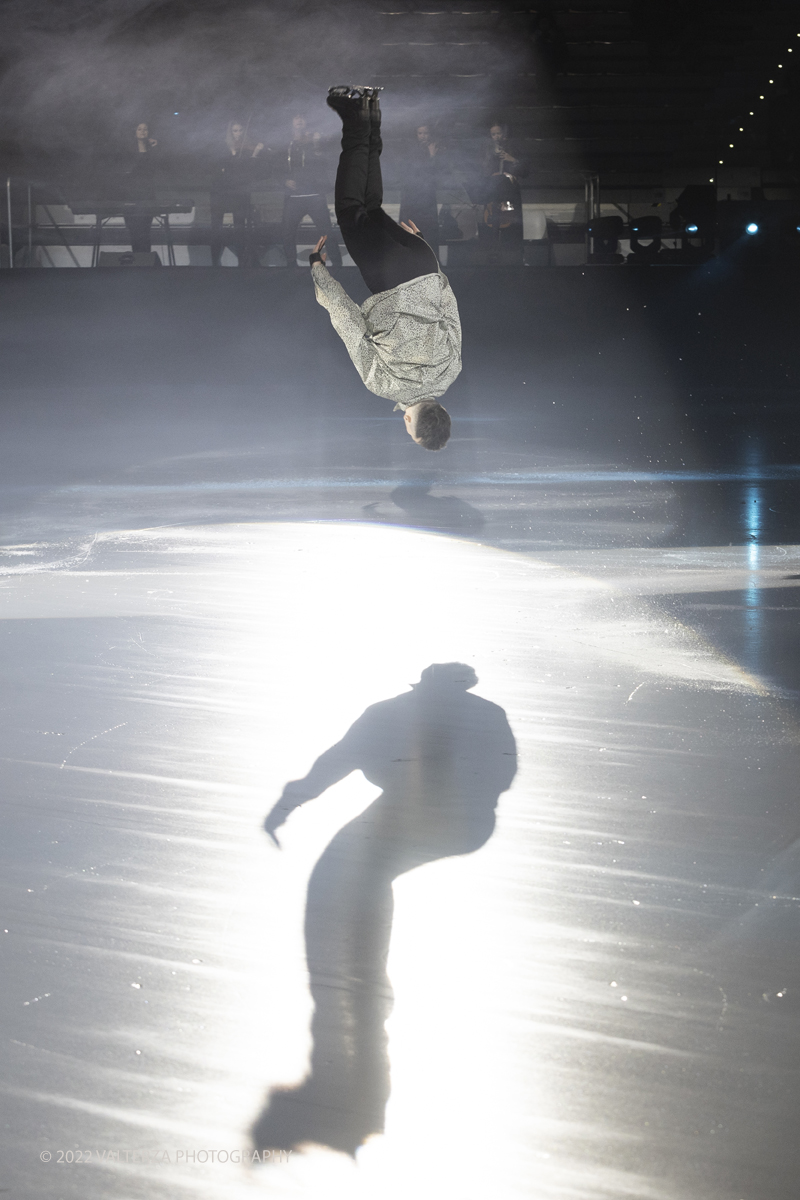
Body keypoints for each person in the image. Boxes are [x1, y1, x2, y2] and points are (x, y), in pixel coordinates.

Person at [254, 664, 517, 1154]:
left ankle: (364, 980)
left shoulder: (392, 712)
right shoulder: (483, 713)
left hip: (435, 814)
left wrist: (287, 805)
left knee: (351, 870)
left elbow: (335, 762)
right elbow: (504, 775)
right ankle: (367, 978)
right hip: (463, 820)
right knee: (362, 870)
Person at [309, 87, 461, 452]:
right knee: (350, 209)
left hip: (425, 264)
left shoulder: (451, 371)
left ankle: (370, 110)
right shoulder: (386, 387)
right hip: (391, 275)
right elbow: (348, 322)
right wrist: (319, 272)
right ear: (410, 421)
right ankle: (353, 115)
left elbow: (450, 309)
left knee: (371, 207)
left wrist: (422, 249)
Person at [282, 114, 341, 268]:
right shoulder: (287, 142)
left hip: (314, 196)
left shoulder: (315, 140)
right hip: (294, 197)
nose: (299, 119)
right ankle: (291, 267)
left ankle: (339, 266)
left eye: (302, 117)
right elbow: (277, 166)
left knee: (326, 232)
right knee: (287, 233)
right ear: (291, 122)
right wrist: (285, 180)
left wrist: (316, 144)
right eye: (296, 117)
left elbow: (323, 160)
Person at [210, 120, 265, 267]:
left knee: (240, 227)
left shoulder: (246, 149)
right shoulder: (223, 147)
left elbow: (250, 171)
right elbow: (219, 169)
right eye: (235, 131)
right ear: (230, 132)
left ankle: (242, 262)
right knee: (216, 227)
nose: (238, 134)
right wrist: (233, 157)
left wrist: (255, 153)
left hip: (239, 192)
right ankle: (215, 262)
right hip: (221, 192)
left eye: (240, 130)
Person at [479, 122, 529, 245]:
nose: (496, 136)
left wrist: (511, 159)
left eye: (499, 133)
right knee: (491, 222)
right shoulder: (487, 150)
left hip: (509, 192)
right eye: (493, 134)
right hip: (493, 192)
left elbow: (525, 171)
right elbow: (483, 173)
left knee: (510, 222)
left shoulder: (513, 147)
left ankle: (512, 249)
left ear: (504, 134)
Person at [398, 123, 440, 250]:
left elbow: (436, 173)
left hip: (427, 199)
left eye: (425, 133)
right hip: (412, 198)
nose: (423, 136)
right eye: (420, 133)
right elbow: (414, 173)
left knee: (429, 232)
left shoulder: (436, 148)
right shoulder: (411, 150)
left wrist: (433, 155)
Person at [122, 122, 159, 254]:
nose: (142, 132)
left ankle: (146, 262)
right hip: (131, 195)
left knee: (145, 231)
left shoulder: (152, 150)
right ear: (135, 132)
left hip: (147, 196)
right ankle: (137, 261)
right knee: (134, 230)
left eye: (145, 129)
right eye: (139, 129)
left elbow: (157, 168)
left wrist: (154, 148)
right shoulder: (128, 150)